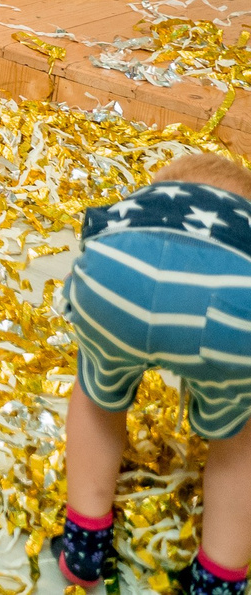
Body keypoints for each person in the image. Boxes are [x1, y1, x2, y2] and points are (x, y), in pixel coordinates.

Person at [55, 151, 251, 595]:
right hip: (234, 298)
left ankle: (83, 549)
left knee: (96, 400)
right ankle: (218, 581)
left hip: (114, 271)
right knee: (239, 442)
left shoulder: (144, 204)